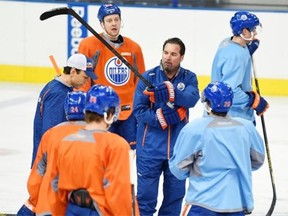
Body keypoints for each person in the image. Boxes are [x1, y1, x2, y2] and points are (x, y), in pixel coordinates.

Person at [169, 81, 265, 215]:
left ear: (207, 103)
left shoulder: (195, 129)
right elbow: (258, 161)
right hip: (236, 205)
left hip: (202, 203)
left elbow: (178, 168)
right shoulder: (247, 128)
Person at [133, 37, 200, 215]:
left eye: (173, 54)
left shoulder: (189, 77)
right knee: (145, 200)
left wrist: (171, 92)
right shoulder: (148, 77)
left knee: (174, 200)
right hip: (149, 149)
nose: (168, 57)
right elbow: (138, 110)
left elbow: (192, 98)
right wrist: (160, 118)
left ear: (181, 57)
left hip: (178, 151)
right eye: (165, 52)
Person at [49, 84, 135, 216]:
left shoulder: (65, 142)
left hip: (70, 210)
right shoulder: (117, 145)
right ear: (110, 113)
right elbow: (119, 193)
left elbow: (54, 186)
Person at [78, 3, 146, 149]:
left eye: (116, 19)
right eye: (109, 20)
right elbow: (83, 79)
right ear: (102, 23)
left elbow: (140, 82)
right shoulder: (89, 45)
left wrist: (139, 107)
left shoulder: (134, 48)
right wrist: (85, 105)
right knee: (100, 153)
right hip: (100, 111)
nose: (114, 23)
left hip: (128, 112)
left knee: (127, 154)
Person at [17, 91, 87, 216]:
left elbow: (36, 178)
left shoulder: (51, 135)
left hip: (51, 206)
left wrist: (34, 201)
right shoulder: (101, 137)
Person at [31, 53, 96, 166]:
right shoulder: (58, 94)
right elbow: (52, 133)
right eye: (85, 77)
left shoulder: (59, 88)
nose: (87, 81)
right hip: (50, 164)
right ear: (73, 72)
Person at [211, 11, 269, 125]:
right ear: (244, 31)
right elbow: (229, 91)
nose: (256, 33)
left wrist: (247, 52)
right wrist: (253, 101)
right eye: (253, 29)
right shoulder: (236, 56)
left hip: (222, 112)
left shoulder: (227, 41)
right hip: (234, 117)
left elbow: (231, 56)